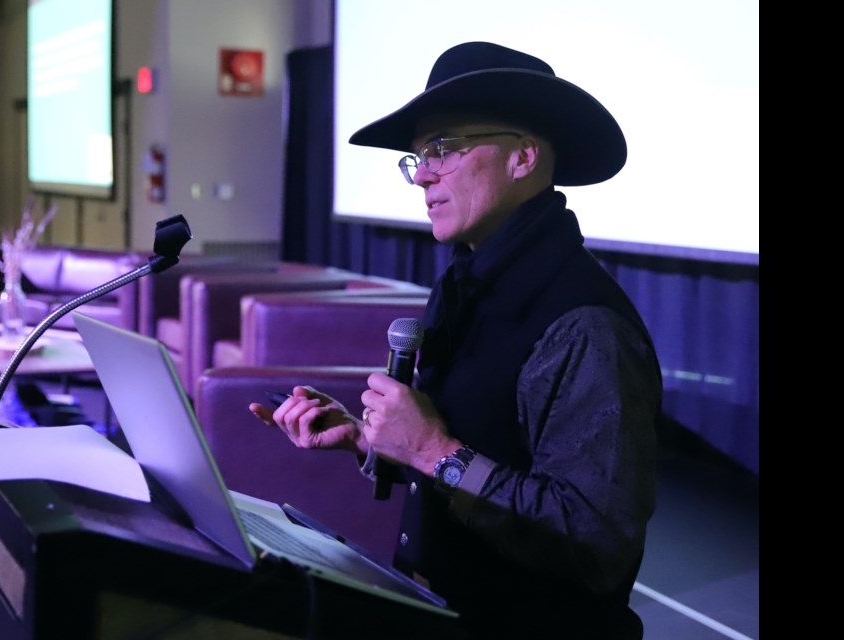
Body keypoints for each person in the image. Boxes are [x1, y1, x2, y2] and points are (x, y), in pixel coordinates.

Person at [250, 41, 662, 639]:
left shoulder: (585, 325)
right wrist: (370, 439)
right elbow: (467, 447)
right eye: (417, 156)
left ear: (523, 157)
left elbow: (596, 546)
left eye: (443, 148)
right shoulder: (463, 282)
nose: (422, 175)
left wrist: (430, 451)